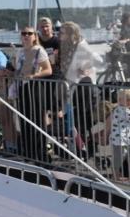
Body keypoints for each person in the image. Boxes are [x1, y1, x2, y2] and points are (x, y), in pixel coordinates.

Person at [59, 21, 103, 159]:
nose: (59, 34)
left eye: (62, 32)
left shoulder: (81, 46)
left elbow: (97, 59)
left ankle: (86, 149)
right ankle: (82, 148)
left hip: (85, 87)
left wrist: (86, 67)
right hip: (74, 87)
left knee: (82, 119)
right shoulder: (68, 46)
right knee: (77, 120)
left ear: (70, 34)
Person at [14, 26, 53, 162]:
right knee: (24, 120)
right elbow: (17, 70)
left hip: (35, 87)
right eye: (23, 33)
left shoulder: (38, 50)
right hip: (23, 87)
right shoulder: (20, 51)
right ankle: (29, 153)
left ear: (35, 36)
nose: (26, 36)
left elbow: (48, 70)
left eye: (29, 33)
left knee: (37, 120)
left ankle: (41, 154)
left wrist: (35, 75)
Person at [106, 89, 130, 181]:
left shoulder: (121, 109)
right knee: (118, 159)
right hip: (119, 140)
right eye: (127, 99)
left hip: (124, 139)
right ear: (120, 100)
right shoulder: (122, 110)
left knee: (121, 158)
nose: (129, 101)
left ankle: (116, 175)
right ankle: (115, 176)